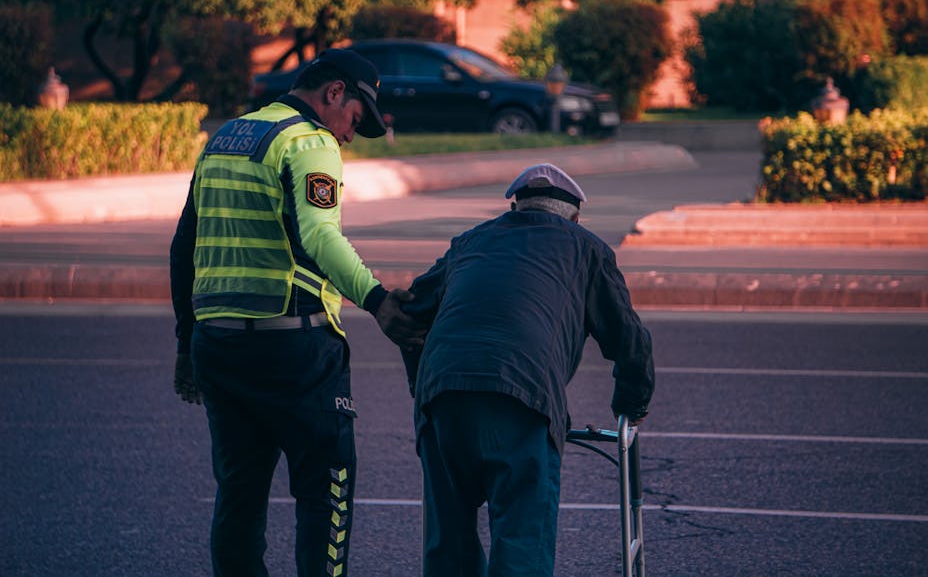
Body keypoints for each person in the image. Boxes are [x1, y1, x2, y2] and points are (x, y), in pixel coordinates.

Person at [169, 48, 424, 577]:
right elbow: (320, 236)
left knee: (238, 496)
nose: (348, 136)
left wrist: (185, 343)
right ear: (334, 92)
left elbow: (184, 245)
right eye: (354, 119)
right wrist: (377, 301)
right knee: (326, 491)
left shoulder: (225, 138)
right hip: (295, 350)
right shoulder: (308, 141)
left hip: (218, 348)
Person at [400, 163, 655, 576]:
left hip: (443, 393)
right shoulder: (586, 247)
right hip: (522, 396)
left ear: (515, 208)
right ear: (575, 217)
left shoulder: (471, 241)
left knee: (449, 544)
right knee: (521, 542)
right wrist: (631, 404)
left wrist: (421, 385)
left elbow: (408, 313)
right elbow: (630, 341)